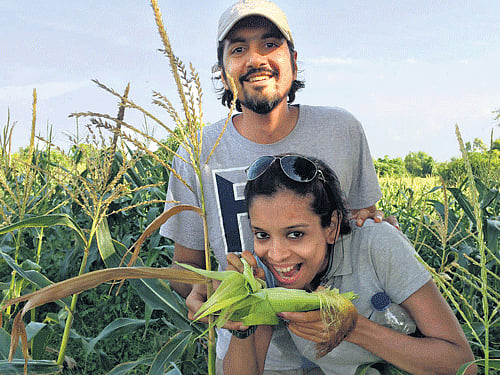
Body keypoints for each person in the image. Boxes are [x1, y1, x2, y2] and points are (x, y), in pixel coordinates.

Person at [160, 0, 389, 373]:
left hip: (344, 349)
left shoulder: (342, 131)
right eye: (238, 49)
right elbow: (186, 269)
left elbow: (366, 227)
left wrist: (381, 225)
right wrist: (200, 291)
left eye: (269, 44)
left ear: (293, 60)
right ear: (222, 72)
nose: (255, 59)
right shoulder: (196, 153)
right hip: (248, 354)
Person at [222, 153, 476, 375]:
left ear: (331, 227)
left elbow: (462, 365)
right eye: (262, 235)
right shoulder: (265, 274)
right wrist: (244, 313)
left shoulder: (377, 244)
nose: (276, 255)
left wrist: (352, 328)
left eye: (295, 234)